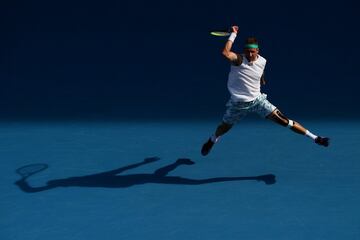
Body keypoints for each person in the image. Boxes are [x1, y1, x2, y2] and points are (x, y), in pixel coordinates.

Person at [201, 26, 329, 156]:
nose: (249, 54)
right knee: (223, 128)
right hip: (237, 104)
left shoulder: (262, 61)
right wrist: (233, 35)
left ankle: (316, 138)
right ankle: (213, 140)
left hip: (258, 101)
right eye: (247, 51)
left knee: (284, 121)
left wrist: (262, 79)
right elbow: (225, 53)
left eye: (252, 51)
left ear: (257, 50)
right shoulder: (239, 59)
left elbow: (259, 71)